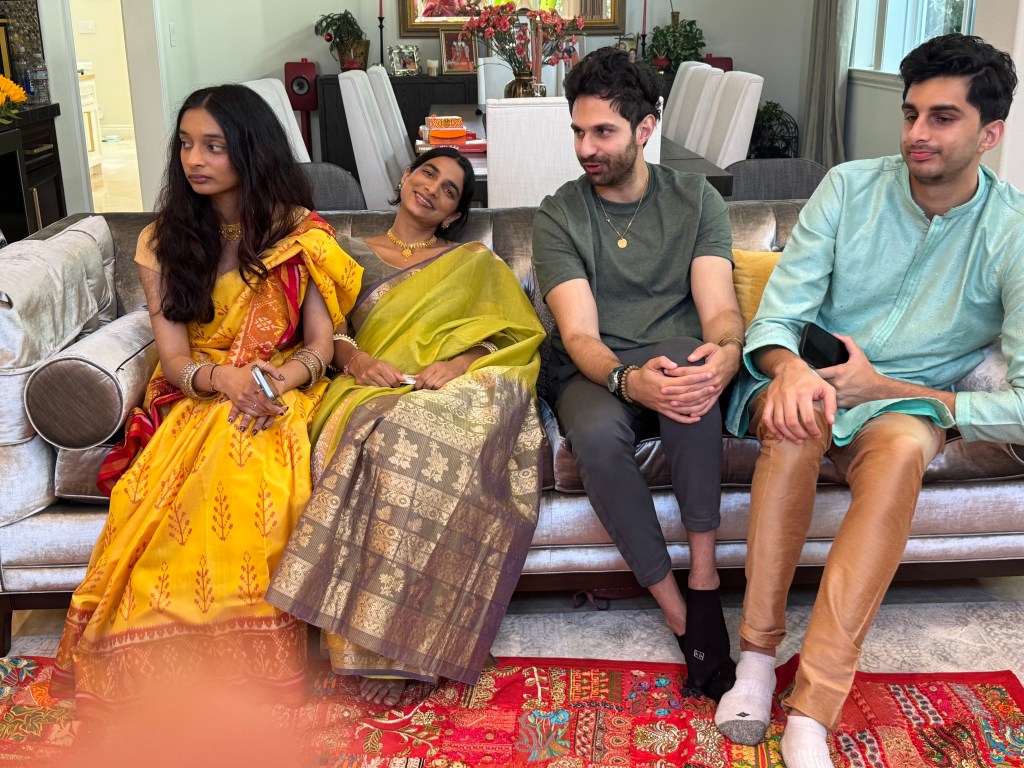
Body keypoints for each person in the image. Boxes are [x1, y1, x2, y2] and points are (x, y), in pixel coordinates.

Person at [715, 34, 1024, 768]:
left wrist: (895, 392)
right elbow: (778, 317)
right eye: (912, 114)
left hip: (905, 405)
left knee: (904, 450)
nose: (918, 133)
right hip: (811, 380)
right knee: (794, 423)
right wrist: (789, 370)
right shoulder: (849, 187)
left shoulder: (1013, 233)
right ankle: (755, 657)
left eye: (942, 118)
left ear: (990, 134)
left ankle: (814, 707)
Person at [52, 84, 362, 708]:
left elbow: (321, 345)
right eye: (187, 145)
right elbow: (173, 359)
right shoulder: (162, 240)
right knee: (193, 464)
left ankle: (241, 663)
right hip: (198, 390)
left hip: (279, 387)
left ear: (251, 150)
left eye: (214, 146)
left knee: (250, 463)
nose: (195, 159)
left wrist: (273, 381)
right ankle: (160, 661)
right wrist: (224, 382)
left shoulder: (301, 235)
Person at [267, 147, 546, 707]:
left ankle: (407, 648)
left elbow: (515, 335)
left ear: (453, 213)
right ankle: (368, 647)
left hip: (448, 388)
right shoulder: (346, 250)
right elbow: (327, 333)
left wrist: (459, 364)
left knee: (429, 442)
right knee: (380, 440)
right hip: (367, 385)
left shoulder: (473, 261)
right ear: (405, 177)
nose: (433, 189)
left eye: (449, 191)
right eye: (428, 174)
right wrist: (358, 362)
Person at [531, 47, 744, 700]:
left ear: (645, 129)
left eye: (603, 132)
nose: (585, 148)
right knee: (596, 439)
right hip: (594, 372)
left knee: (691, 378)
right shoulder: (559, 214)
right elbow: (579, 335)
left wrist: (726, 351)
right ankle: (680, 615)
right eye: (578, 131)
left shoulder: (695, 198)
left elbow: (719, 310)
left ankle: (703, 579)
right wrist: (627, 380)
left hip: (674, 353)